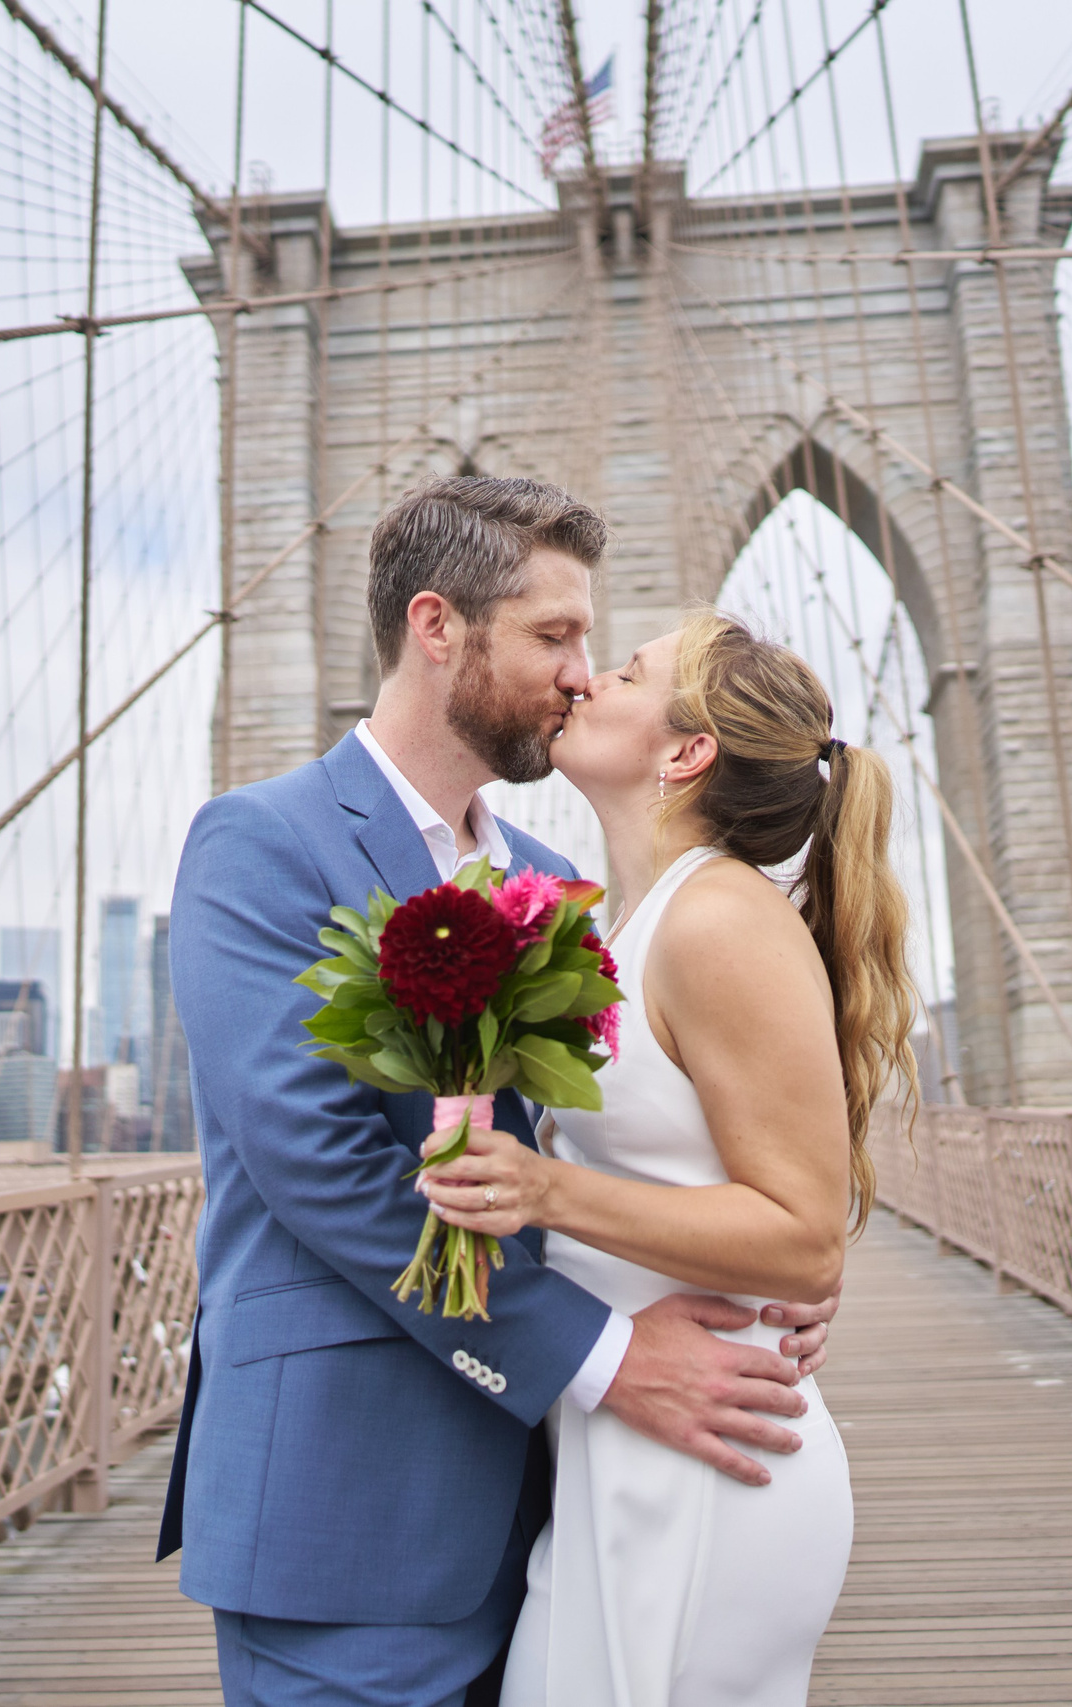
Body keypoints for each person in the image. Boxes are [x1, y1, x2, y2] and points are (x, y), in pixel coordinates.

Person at [161, 477, 839, 1707]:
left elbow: (615, 1142)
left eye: (595, 647)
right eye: (554, 636)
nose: (581, 675)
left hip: (554, 1504)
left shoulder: (549, 880)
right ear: (438, 628)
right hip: (351, 1508)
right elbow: (321, 1164)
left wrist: (773, 1267)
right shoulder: (259, 843)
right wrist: (605, 1358)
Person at [418, 608, 919, 1706]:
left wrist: (544, 1188)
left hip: (714, 1462)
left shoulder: (718, 923)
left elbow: (801, 1239)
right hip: (634, 1443)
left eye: (628, 671)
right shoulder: (619, 928)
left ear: (688, 751)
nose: (587, 681)